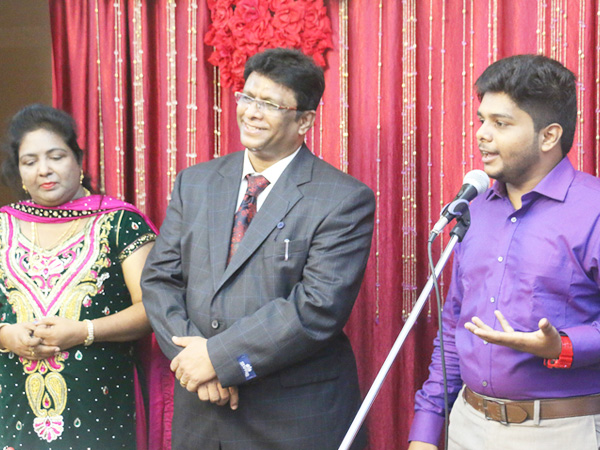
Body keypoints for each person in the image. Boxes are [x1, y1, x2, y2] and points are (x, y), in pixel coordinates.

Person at [141, 47, 375, 450]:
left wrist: (218, 359)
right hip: (202, 413)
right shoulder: (195, 182)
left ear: (304, 120)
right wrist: (194, 363)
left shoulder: (343, 198)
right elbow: (160, 279)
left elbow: (317, 307)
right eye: (247, 97)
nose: (250, 112)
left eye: (268, 103)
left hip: (291, 417)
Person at [409, 54, 600, 450]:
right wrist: (427, 429)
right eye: (481, 119)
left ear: (549, 136)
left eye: (500, 123)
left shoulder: (593, 210)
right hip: (467, 424)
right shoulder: (474, 211)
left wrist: (562, 345)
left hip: (561, 432)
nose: (481, 133)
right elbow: (453, 329)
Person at [0, 104, 158, 448]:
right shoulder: (3, 226)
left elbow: (153, 309)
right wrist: (5, 335)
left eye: (56, 156)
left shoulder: (120, 223)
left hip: (101, 404)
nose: (44, 170)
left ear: (78, 159)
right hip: (13, 406)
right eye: (30, 162)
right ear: (20, 173)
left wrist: (85, 331)